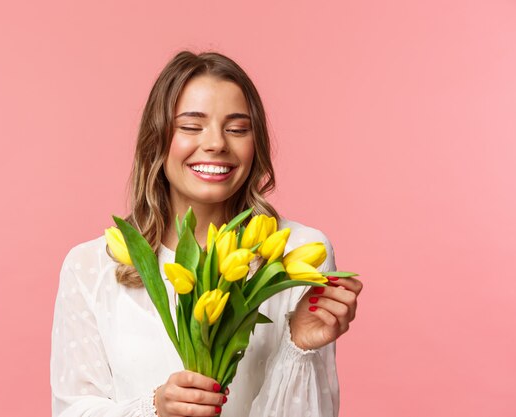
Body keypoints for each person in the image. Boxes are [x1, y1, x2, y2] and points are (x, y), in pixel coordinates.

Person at [50, 50, 362, 417]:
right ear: (157, 140)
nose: (216, 143)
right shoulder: (92, 265)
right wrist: (155, 409)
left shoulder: (296, 253)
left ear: (255, 144)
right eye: (191, 126)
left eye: (237, 129)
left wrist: (299, 345)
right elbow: (73, 410)